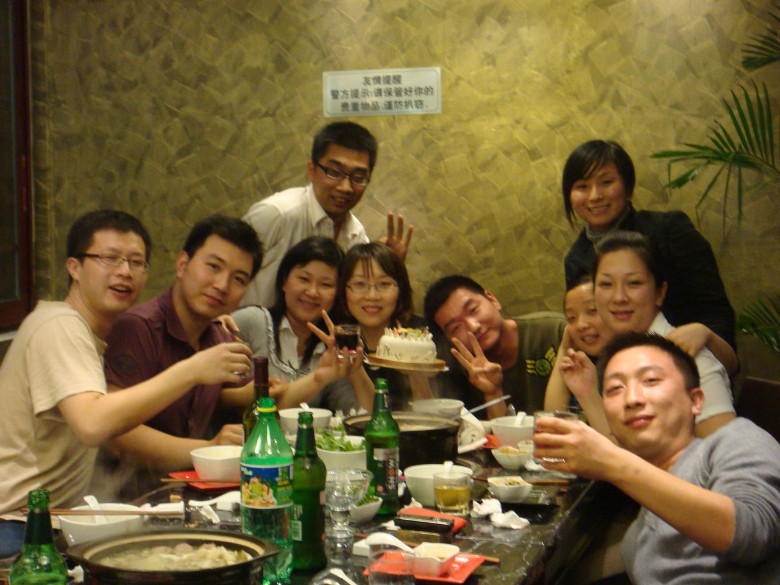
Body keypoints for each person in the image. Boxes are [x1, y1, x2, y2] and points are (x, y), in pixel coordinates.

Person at [0, 210, 251, 555]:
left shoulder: (92, 335)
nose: (124, 271)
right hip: (15, 526)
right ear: (74, 267)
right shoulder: (58, 325)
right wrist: (192, 370)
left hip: (57, 518)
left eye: (136, 262)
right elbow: (94, 424)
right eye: (109, 258)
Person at [534, 331, 780, 584]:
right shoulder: (642, 526)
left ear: (695, 400)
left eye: (651, 380)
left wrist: (613, 463)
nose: (632, 399)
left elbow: (754, 535)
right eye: (615, 388)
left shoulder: (734, 439)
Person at [96, 214, 263, 499]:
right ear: (183, 264)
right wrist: (209, 448)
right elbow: (118, 436)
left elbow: (242, 397)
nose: (222, 285)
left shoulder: (217, 335)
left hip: (191, 497)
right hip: (129, 501)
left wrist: (319, 377)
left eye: (238, 279)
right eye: (214, 266)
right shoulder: (138, 327)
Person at [561, 139, 737, 351]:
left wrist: (716, 354)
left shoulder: (669, 229)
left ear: (627, 185)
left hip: (689, 356)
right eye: (582, 186)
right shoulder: (576, 259)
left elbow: (714, 309)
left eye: (606, 182)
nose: (595, 196)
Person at [563, 231, 736, 439]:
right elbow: (625, 449)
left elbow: (727, 452)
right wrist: (587, 393)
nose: (619, 297)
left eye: (634, 283)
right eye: (606, 284)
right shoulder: (623, 355)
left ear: (660, 293)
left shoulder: (688, 357)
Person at [241, 121, 413, 307]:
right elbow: (229, 273)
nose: (346, 187)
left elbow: (357, 301)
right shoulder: (276, 214)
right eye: (334, 172)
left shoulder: (356, 234)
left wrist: (389, 265)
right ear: (312, 171)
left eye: (358, 177)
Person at [230, 236, 363, 411]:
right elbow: (212, 396)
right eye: (304, 279)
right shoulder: (250, 322)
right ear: (284, 281)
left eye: (326, 284)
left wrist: (353, 366)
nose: (312, 292)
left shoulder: (330, 346)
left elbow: (354, 412)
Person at [423, 275, 565, 419]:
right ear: (449, 339)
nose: (473, 326)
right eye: (456, 327)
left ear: (492, 300)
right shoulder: (456, 368)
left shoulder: (556, 332)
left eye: (473, 310)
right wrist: (492, 392)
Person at [317, 242, 435, 412]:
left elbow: (433, 417)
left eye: (384, 284)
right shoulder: (332, 339)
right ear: (344, 289)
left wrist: (417, 375)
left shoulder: (420, 337)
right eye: (360, 284)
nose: (372, 296)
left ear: (400, 289)